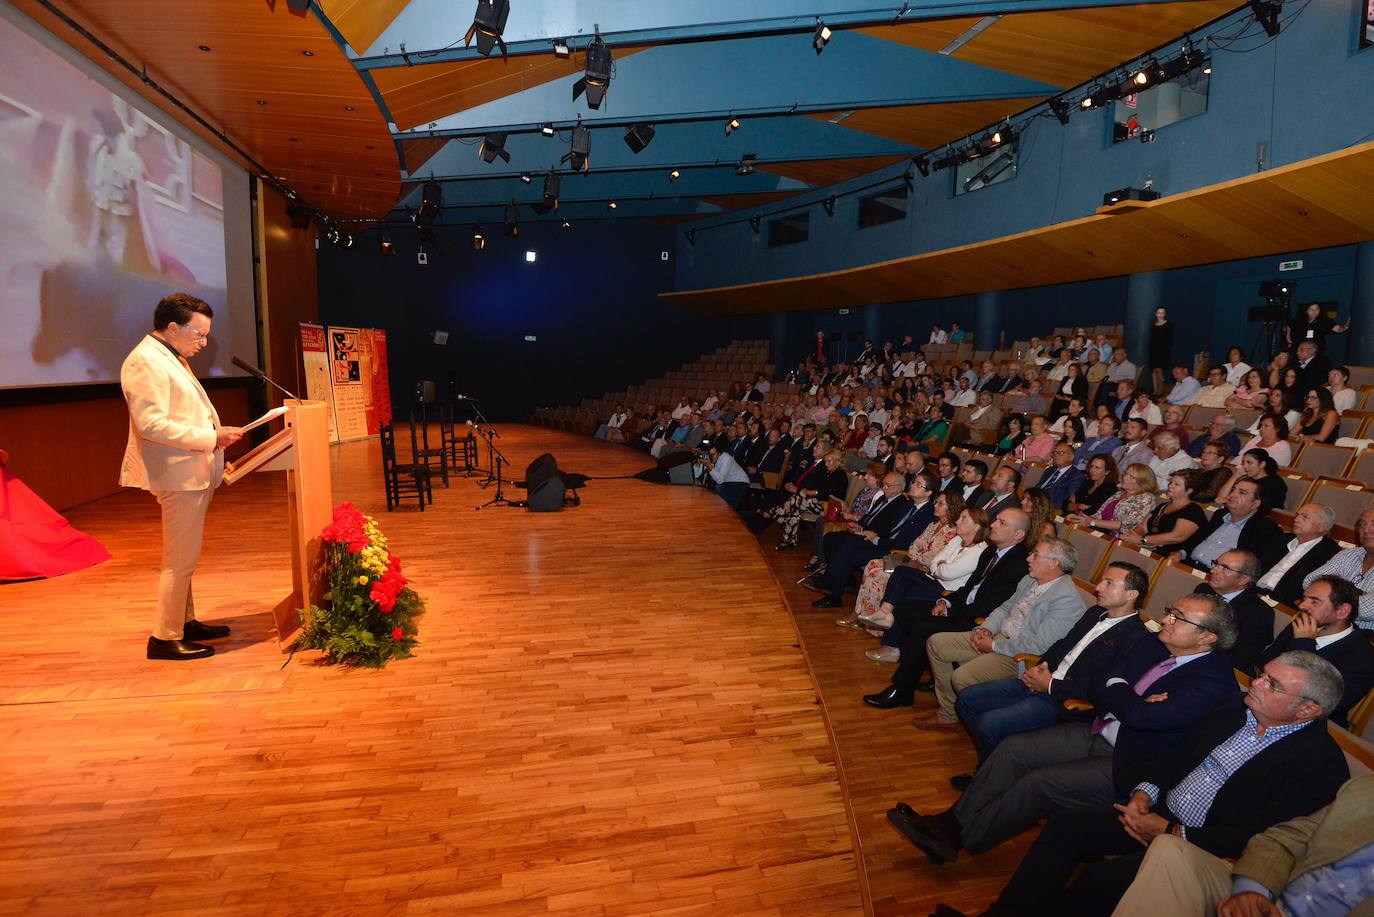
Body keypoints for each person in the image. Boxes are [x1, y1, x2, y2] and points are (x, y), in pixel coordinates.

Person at [949, 652, 1350, 917]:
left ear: (1308, 709)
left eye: (1272, 685)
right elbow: (1176, 756)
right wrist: (1145, 793)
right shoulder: (1234, 709)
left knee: (1101, 882)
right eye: (1262, 675)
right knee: (1067, 825)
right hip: (1157, 813)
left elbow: (1268, 839)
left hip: (1201, 848)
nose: (1257, 685)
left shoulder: (1319, 764)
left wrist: (1173, 832)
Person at [893, 593, 1240, 865]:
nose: (1166, 619)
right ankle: (949, 824)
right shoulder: (1155, 644)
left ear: (1206, 637)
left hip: (1131, 764)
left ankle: (961, 840)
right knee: (1014, 748)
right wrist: (1130, 697)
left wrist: (1126, 695)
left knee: (1038, 783)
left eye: (1178, 618)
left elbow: (1141, 716)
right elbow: (1105, 681)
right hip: (1099, 728)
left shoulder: (1213, 681)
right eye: (1170, 610)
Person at [120, 293, 243, 661]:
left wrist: (216, 448)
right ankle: (164, 637)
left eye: (207, 336)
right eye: (198, 334)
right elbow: (151, 424)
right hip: (177, 476)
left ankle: (184, 620)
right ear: (172, 327)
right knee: (178, 560)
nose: (204, 343)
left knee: (185, 557)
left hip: (192, 471)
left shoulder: (169, 354)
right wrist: (211, 438)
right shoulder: (145, 362)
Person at [953, 562, 1151, 761]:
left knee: (989, 723)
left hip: (1064, 702)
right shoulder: (1094, 614)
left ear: (1131, 594)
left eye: (1109, 583)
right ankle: (996, 760)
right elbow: (1063, 645)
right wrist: (1040, 669)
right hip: (1042, 681)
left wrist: (1051, 685)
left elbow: (1103, 686)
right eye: (1101, 581)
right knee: (967, 699)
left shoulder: (1136, 638)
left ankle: (992, 772)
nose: (1098, 587)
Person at [1112, 773, 1374, 917]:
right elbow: (1282, 838)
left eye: (1271, 683)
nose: (1256, 682)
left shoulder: (1316, 759)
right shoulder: (1365, 790)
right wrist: (1253, 891)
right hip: (1274, 889)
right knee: (1170, 849)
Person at [863, 510, 1031, 706]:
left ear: (1018, 534)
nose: (993, 524)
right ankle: (927, 668)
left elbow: (990, 605)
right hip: (963, 606)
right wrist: (946, 602)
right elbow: (969, 588)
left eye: (1002, 523)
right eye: (996, 520)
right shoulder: (991, 552)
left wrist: (950, 611)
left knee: (922, 627)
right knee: (904, 609)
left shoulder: (1018, 563)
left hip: (979, 620)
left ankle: (902, 689)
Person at [918, 539, 1085, 730]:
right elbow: (1005, 608)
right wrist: (986, 628)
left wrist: (993, 646)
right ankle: (950, 713)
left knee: (962, 677)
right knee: (936, 643)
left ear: (1054, 563)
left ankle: (983, 724)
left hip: (1019, 656)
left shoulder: (1066, 600)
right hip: (998, 636)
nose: (1028, 558)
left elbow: (1039, 646)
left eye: (1035, 555)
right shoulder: (1030, 579)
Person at [1255, 575, 1374, 728]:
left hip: (1311, 727)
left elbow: (1320, 704)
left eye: (1315, 601)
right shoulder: (1300, 626)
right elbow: (1263, 664)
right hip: (1265, 705)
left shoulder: (1363, 658)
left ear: (1342, 611)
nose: (1302, 605)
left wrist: (1303, 645)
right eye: (1304, 598)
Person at [856, 503, 987, 635]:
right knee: (901, 571)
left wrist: (939, 566)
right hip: (933, 579)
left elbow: (947, 573)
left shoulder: (979, 551)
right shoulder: (957, 540)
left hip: (947, 592)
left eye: (963, 518)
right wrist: (940, 565)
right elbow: (936, 561)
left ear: (977, 526)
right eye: (959, 517)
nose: (957, 521)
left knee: (904, 594)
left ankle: (890, 643)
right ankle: (884, 613)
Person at [808, 473, 934, 608]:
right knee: (844, 543)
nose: (913, 485)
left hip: (896, 553)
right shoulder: (909, 505)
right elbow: (890, 528)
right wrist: (865, 530)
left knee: (852, 547)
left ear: (929, 492)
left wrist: (876, 538)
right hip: (884, 542)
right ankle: (834, 587)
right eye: (914, 482)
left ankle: (831, 582)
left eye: (918, 484)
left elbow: (904, 543)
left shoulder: (927, 514)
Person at [846, 490, 966, 629]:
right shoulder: (934, 524)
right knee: (872, 564)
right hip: (911, 561)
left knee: (879, 574)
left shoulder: (953, 532)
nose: (935, 505)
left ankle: (875, 621)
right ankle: (862, 612)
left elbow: (933, 558)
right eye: (936, 502)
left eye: (940, 504)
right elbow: (915, 545)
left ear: (951, 508)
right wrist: (916, 556)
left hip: (924, 570)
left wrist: (917, 557)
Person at [1176, 477, 1283, 570]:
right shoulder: (1220, 515)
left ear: (1255, 504)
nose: (1232, 495)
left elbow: (1251, 567)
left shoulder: (1264, 528)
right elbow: (1198, 539)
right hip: (1186, 564)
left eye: (1242, 492)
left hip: (1214, 577)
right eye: (1233, 490)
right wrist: (1181, 553)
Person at [757, 445, 847, 550]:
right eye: (826, 461)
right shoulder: (830, 472)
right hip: (819, 503)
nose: (826, 464)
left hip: (829, 507)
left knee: (799, 496)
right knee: (796, 509)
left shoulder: (839, 474)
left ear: (837, 461)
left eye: (829, 461)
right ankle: (788, 539)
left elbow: (823, 493)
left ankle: (778, 513)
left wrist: (806, 491)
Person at [1257, 504, 1342, 607]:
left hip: (1283, 604)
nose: (1296, 519)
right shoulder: (1281, 539)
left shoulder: (1330, 554)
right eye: (1297, 515)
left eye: (1305, 517)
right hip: (1254, 591)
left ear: (1321, 527)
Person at [1303, 506, 1374, 630]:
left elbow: (1366, 610)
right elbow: (1310, 582)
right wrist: (1356, 594)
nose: (1366, 530)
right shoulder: (1349, 554)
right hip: (1322, 626)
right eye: (1362, 524)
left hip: (1362, 636)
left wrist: (1331, 589)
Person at [1119, 469, 1206, 555]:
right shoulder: (1163, 505)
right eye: (1171, 482)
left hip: (1166, 554)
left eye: (1176, 484)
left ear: (1189, 491)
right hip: (1145, 548)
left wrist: (1142, 540)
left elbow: (1177, 536)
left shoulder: (1193, 511)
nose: (1171, 486)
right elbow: (1143, 527)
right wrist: (1131, 535)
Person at [1068, 463, 1159, 537]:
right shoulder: (1119, 494)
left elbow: (1125, 525)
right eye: (1126, 474)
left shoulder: (1146, 498)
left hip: (1118, 538)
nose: (1125, 477)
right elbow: (1099, 514)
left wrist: (1092, 522)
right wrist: (1083, 518)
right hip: (1099, 532)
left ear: (1143, 482)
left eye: (1132, 477)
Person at [1216, 447, 1286, 511]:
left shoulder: (1275, 482)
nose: (1245, 466)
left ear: (1262, 464)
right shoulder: (1245, 479)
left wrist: (1229, 501)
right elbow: (1220, 498)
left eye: (1249, 463)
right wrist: (1235, 476)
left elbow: (1264, 508)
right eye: (1243, 463)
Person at [1037, 445, 1085, 510]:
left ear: (1071, 457)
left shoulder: (1076, 476)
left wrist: (1041, 504)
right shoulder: (1049, 470)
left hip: (1049, 507)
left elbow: (1066, 501)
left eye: (1060, 453)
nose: (1055, 455)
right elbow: (1038, 487)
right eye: (1055, 453)